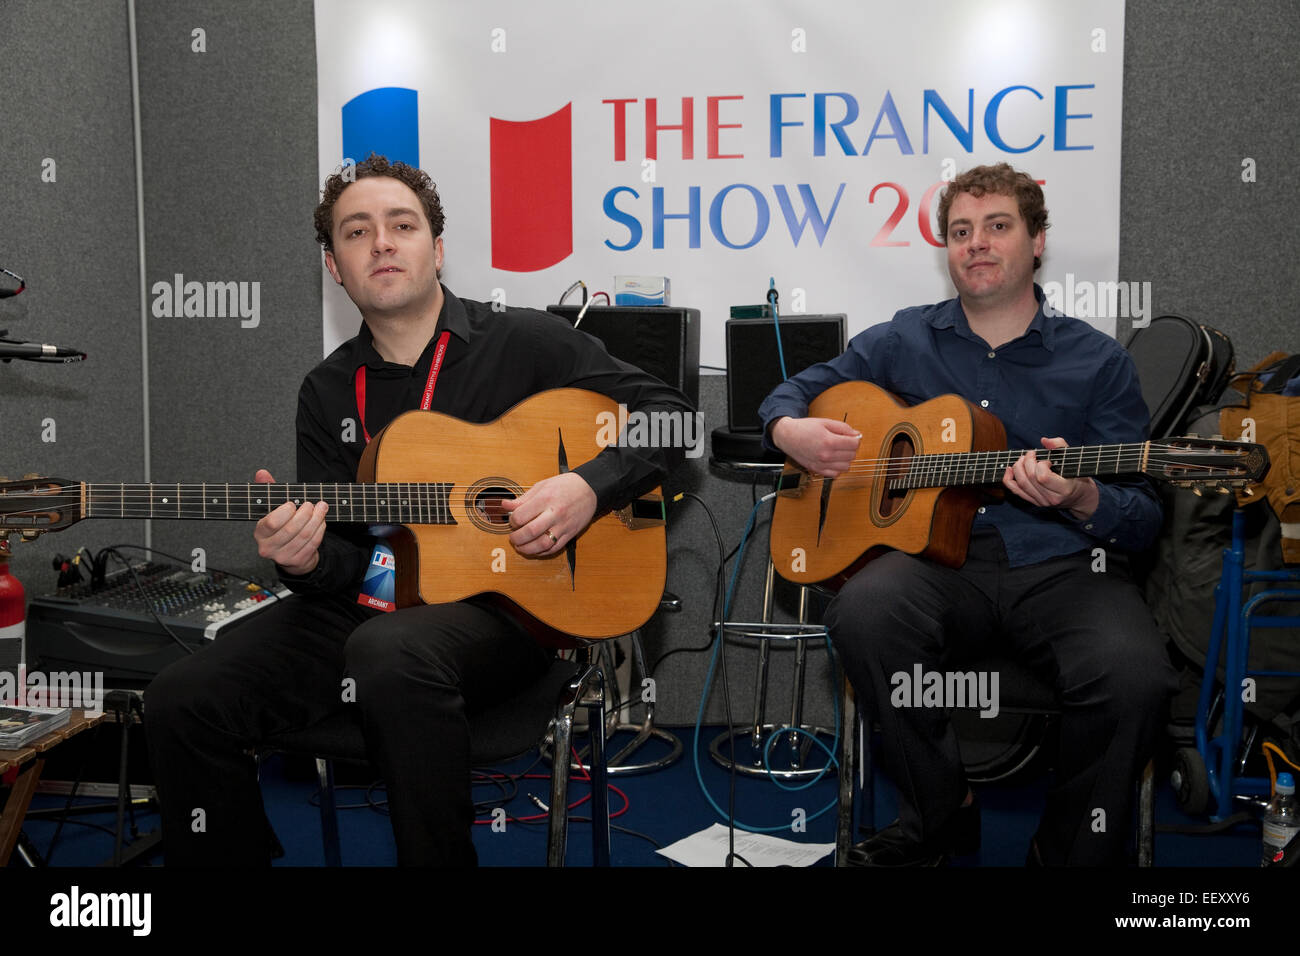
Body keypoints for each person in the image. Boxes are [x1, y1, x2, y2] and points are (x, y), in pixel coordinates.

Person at [145, 154, 691, 866]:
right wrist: (307, 560)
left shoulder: (527, 342)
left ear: (435, 249)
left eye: (401, 225)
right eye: (355, 231)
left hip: (513, 615)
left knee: (390, 650)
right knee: (181, 694)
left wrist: (588, 486)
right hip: (372, 603)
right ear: (335, 268)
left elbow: (672, 417)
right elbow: (347, 562)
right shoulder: (327, 392)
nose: (381, 242)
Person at [759, 163, 1178, 866]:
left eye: (997, 226)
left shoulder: (1099, 362)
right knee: (864, 614)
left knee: (1136, 675)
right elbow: (794, 393)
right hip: (938, 565)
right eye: (960, 231)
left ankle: (1068, 847)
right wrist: (788, 430)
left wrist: (1082, 496)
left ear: (1037, 242)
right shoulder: (901, 340)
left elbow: (1143, 518)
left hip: (1065, 565)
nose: (976, 243)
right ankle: (940, 812)